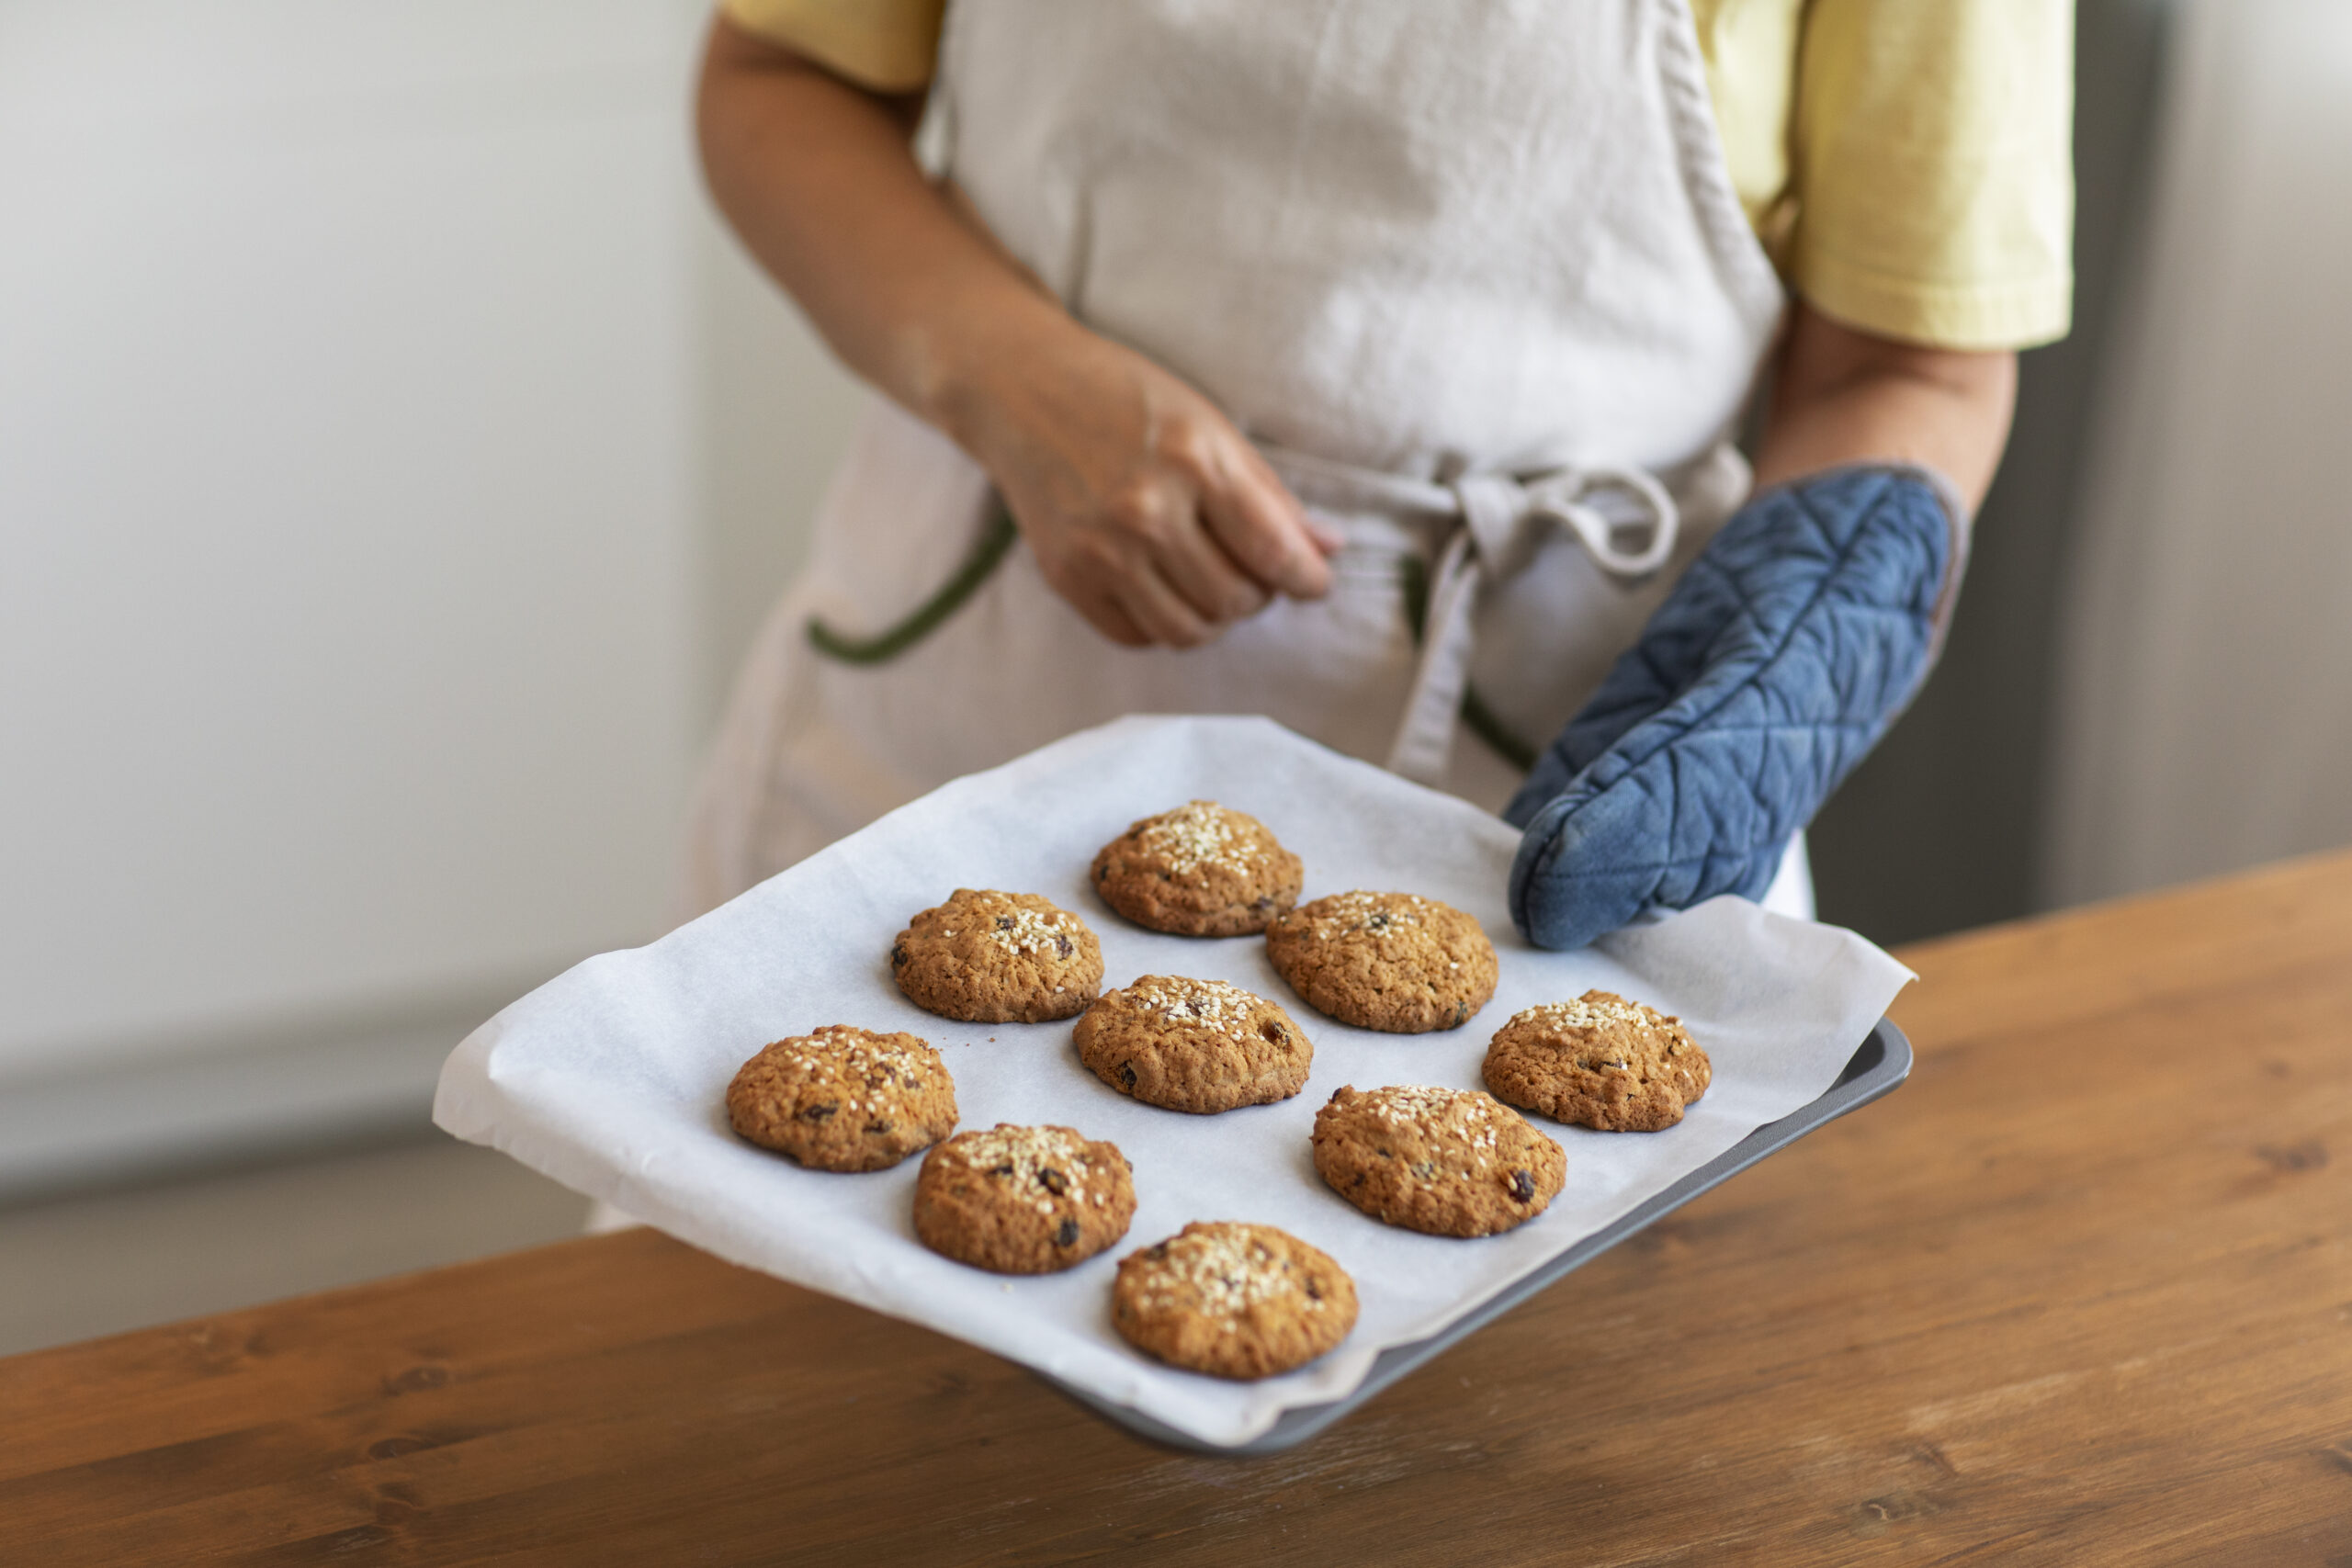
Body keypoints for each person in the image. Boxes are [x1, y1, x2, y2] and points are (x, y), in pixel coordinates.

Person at [680, 0, 2072, 942]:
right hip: (966, 710)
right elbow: (776, 81)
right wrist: (1005, 377)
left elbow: (1919, 367)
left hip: (1557, 786)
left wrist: (1786, 680)